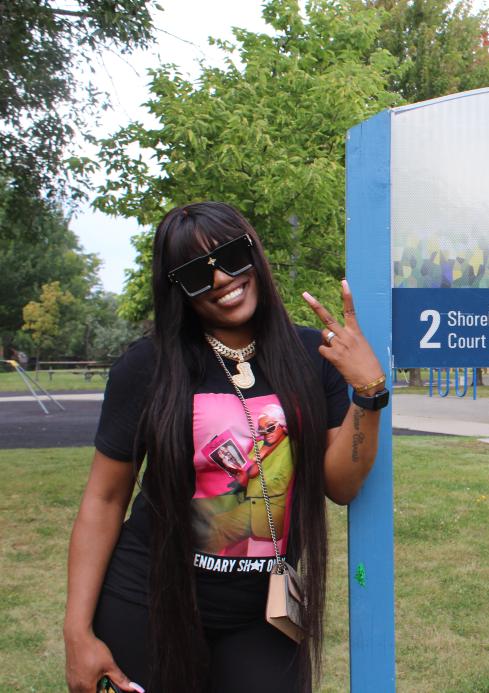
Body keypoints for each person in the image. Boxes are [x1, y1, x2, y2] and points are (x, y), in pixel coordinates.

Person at [63, 202, 389, 692]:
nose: (219, 279)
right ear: (177, 288)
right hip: (146, 603)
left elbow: (339, 487)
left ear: (254, 255)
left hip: (262, 615)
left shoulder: (310, 356)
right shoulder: (147, 366)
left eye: (231, 256)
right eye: (196, 273)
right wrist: (77, 633)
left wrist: (368, 394)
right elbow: (104, 499)